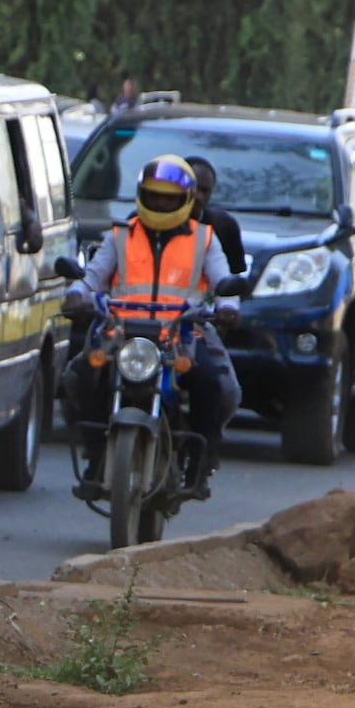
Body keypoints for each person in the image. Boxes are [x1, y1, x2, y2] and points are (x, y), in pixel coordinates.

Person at [78, 156, 240, 496]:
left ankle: (199, 462)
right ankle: (95, 455)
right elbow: (92, 278)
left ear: (187, 200)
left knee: (214, 384)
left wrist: (227, 306)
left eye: (169, 198)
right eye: (154, 196)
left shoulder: (205, 239)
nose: (161, 203)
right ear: (141, 195)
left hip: (182, 334)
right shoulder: (120, 236)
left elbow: (223, 280)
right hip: (122, 332)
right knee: (81, 374)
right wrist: (76, 295)